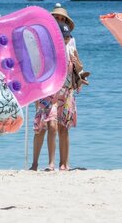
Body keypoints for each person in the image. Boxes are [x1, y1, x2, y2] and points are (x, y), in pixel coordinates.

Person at [29, 19, 86, 171]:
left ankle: (63, 163)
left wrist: (76, 62)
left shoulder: (71, 47)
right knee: (48, 125)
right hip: (49, 92)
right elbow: (38, 70)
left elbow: (80, 68)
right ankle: (47, 163)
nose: (66, 39)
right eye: (64, 37)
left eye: (68, 37)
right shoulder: (48, 51)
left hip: (66, 91)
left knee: (63, 127)